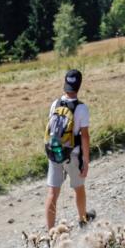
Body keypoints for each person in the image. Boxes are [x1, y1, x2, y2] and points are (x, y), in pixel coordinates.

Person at [44, 69, 95, 230]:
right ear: (79, 86)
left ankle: (51, 231)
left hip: (54, 153)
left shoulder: (55, 104)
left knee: (53, 193)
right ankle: (83, 219)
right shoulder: (81, 108)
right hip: (73, 155)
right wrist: (86, 162)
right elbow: (85, 136)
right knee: (79, 189)